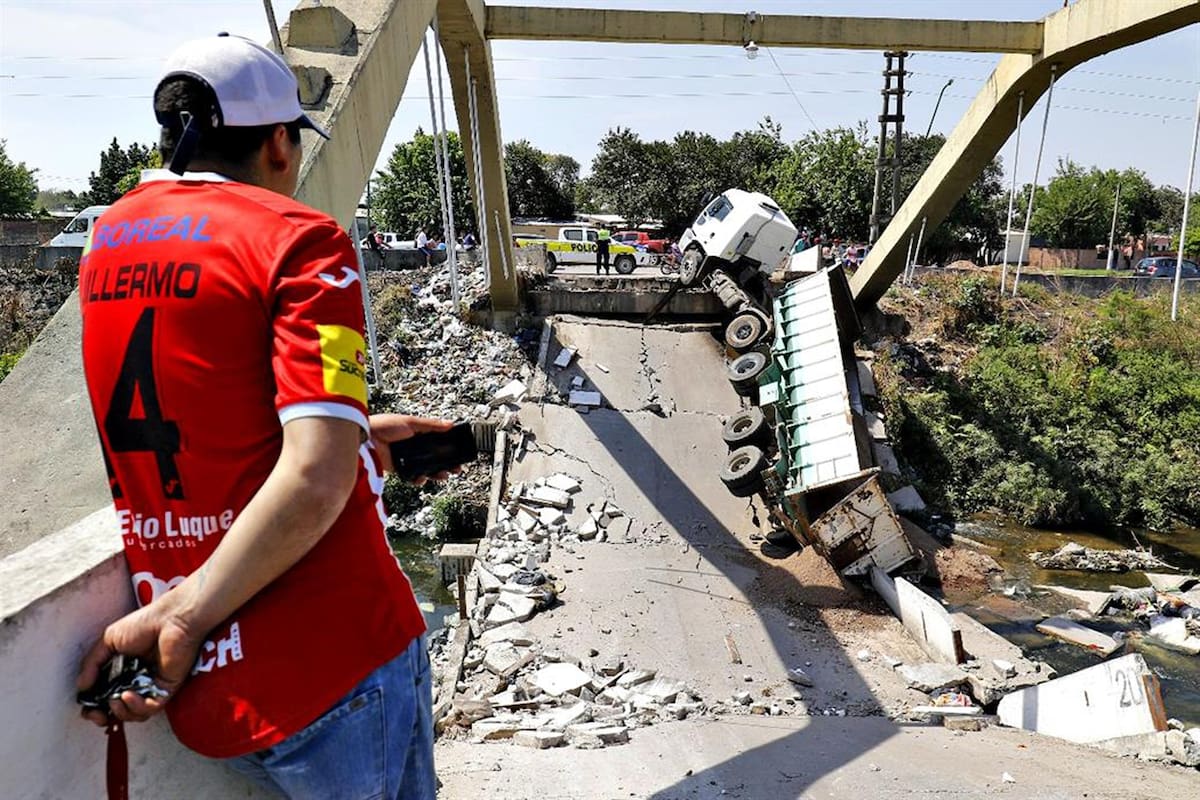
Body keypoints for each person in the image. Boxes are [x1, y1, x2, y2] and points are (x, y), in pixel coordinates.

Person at [75, 33, 446, 799]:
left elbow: (191, 398)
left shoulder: (107, 238)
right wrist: (184, 619)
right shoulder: (303, 243)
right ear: (279, 142)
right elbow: (314, 481)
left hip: (210, 687)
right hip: (329, 661)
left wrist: (351, 430)